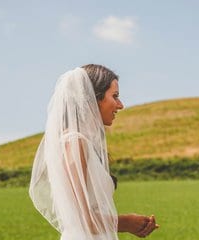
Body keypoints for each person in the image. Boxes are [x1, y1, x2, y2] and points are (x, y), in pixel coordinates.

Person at [29, 64, 159, 239]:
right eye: (115, 96)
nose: (120, 105)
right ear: (93, 98)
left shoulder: (84, 143)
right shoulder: (75, 142)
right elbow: (80, 219)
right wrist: (127, 222)